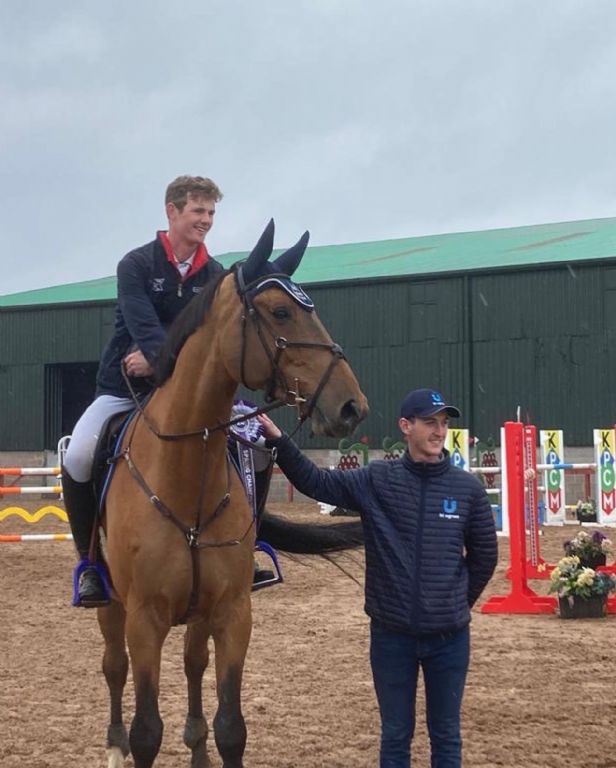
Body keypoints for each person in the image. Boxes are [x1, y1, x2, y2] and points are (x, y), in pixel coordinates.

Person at [257, 388, 498, 768]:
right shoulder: (377, 480)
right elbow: (316, 482)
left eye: (443, 424)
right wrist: (279, 440)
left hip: (449, 640)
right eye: (430, 422)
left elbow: (485, 556)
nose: (439, 431)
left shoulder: (467, 489)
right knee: (396, 734)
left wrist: (453, 604)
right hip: (392, 637)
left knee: (446, 735)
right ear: (406, 426)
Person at [63, 175, 226, 607]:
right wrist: (159, 360)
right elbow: (143, 325)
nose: (206, 220)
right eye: (198, 211)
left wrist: (160, 364)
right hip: (124, 387)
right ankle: (90, 563)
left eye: (211, 212)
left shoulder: (215, 274)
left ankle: (252, 545)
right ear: (172, 211)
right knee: (78, 455)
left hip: (188, 391)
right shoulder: (135, 265)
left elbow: (209, 335)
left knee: (258, 446)